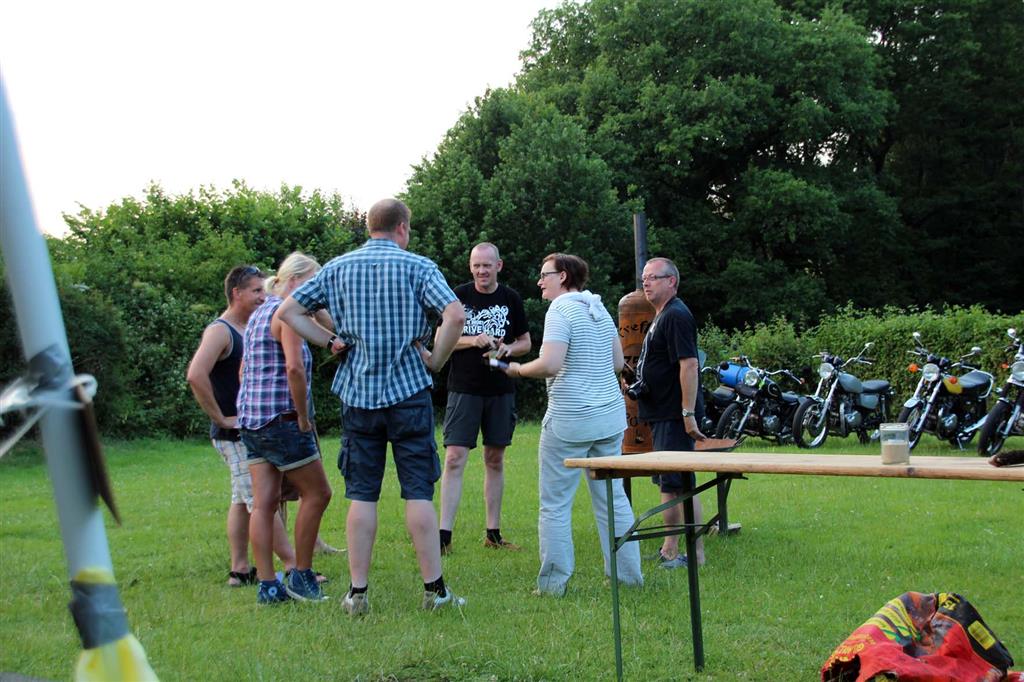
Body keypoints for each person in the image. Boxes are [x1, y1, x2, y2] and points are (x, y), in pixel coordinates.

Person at [278, 198, 468, 615]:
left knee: (362, 495)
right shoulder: (419, 267)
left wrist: (329, 341)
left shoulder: (337, 268)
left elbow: (288, 310)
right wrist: (436, 360)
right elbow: (455, 315)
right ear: (402, 227)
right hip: (409, 393)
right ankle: (435, 591)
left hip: (358, 396)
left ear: (370, 226)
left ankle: (357, 593)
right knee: (418, 491)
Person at [503, 253, 642, 596]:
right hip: (609, 419)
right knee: (613, 499)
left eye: (544, 275)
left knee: (555, 504)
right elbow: (616, 363)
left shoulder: (560, 310)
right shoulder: (599, 308)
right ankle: (628, 579)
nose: (540, 281)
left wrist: (518, 370)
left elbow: (550, 364)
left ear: (563, 276)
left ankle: (553, 585)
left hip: (570, 419)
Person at [186, 265, 296, 587]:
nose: (264, 296)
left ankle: (240, 569)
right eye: (256, 290)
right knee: (260, 500)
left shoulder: (250, 326)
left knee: (241, 498)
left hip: (248, 430)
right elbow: (195, 375)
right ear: (236, 293)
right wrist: (220, 418)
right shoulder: (220, 331)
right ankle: (293, 565)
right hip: (232, 434)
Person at [237, 253, 334, 604]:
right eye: (312, 284)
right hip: (282, 419)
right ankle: (301, 576)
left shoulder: (259, 313)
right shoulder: (287, 315)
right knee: (318, 494)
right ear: (294, 281)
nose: (316, 294)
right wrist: (303, 416)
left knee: (264, 503)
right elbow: (294, 368)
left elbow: (243, 371)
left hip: (252, 421)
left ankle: (268, 585)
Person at [438, 242, 531, 555]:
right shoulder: (458, 296)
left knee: (495, 459)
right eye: (476, 265)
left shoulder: (511, 298)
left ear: (498, 266)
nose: (481, 271)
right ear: (470, 267)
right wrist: (472, 340)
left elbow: (525, 343)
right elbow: (440, 339)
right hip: (463, 388)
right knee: (454, 458)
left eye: (487, 265)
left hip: (500, 389)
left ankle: (493, 534)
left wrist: (508, 349)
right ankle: (443, 537)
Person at [634, 257, 707, 568]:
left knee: (676, 484)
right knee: (675, 483)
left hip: (673, 415)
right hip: (663, 413)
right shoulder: (663, 315)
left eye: (653, 277)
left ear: (671, 281)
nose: (646, 283)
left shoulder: (676, 315)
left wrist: (687, 413)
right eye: (644, 278)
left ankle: (687, 554)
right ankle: (673, 549)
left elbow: (689, 364)